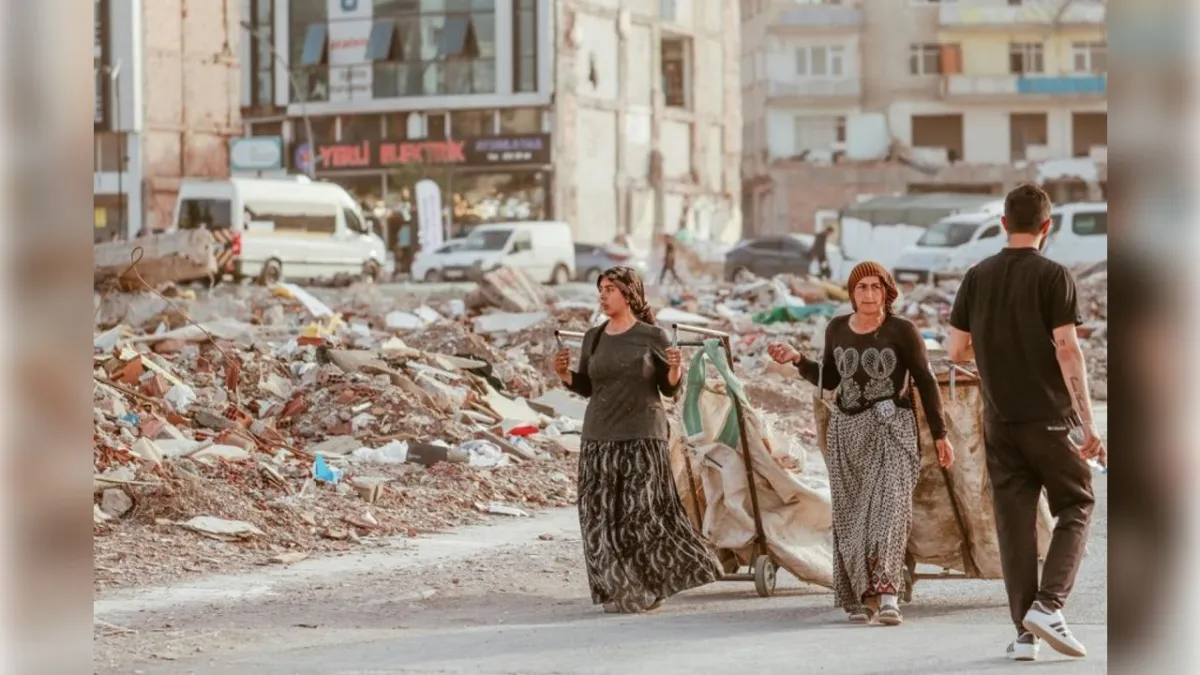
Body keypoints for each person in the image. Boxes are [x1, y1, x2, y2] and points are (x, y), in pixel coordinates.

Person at [947, 183, 1104, 662]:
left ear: (1002, 225)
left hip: (999, 421)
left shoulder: (976, 276)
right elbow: (1067, 348)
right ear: (1047, 226)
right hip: (1050, 419)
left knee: (1014, 528)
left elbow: (956, 352)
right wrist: (1089, 424)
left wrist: (997, 351)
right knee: (1077, 503)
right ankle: (1048, 606)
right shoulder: (1055, 276)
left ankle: (1024, 636)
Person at [767, 260, 953, 627]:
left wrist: (941, 434)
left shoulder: (903, 330)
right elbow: (831, 379)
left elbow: (926, 381)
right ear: (852, 294)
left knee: (889, 510)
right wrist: (797, 360)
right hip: (847, 433)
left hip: (892, 429)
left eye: (876, 287)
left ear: (887, 292)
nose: (869, 294)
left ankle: (888, 596)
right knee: (853, 520)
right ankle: (864, 598)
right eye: (861, 288)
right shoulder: (837, 329)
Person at [553, 266, 722, 613]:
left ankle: (651, 585)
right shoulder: (594, 337)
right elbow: (587, 386)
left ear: (629, 295)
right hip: (599, 436)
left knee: (641, 516)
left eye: (610, 288)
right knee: (599, 518)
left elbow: (668, 388)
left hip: (642, 436)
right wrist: (563, 374)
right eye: (600, 288)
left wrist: (675, 369)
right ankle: (619, 586)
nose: (603, 294)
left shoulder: (653, 337)